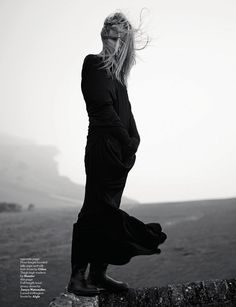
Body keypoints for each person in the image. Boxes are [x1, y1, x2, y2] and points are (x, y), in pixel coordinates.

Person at [67, 11, 167, 297]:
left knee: (107, 213)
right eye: (107, 34)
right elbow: (105, 113)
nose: (110, 40)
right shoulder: (93, 64)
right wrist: (127, 142)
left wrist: (134, 142)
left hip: (119, 157)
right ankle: (77, 277)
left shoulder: (119, 79)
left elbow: (127, 115)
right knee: (93, 211)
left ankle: (99, 273)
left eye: (116, 36)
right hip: (102, 149)